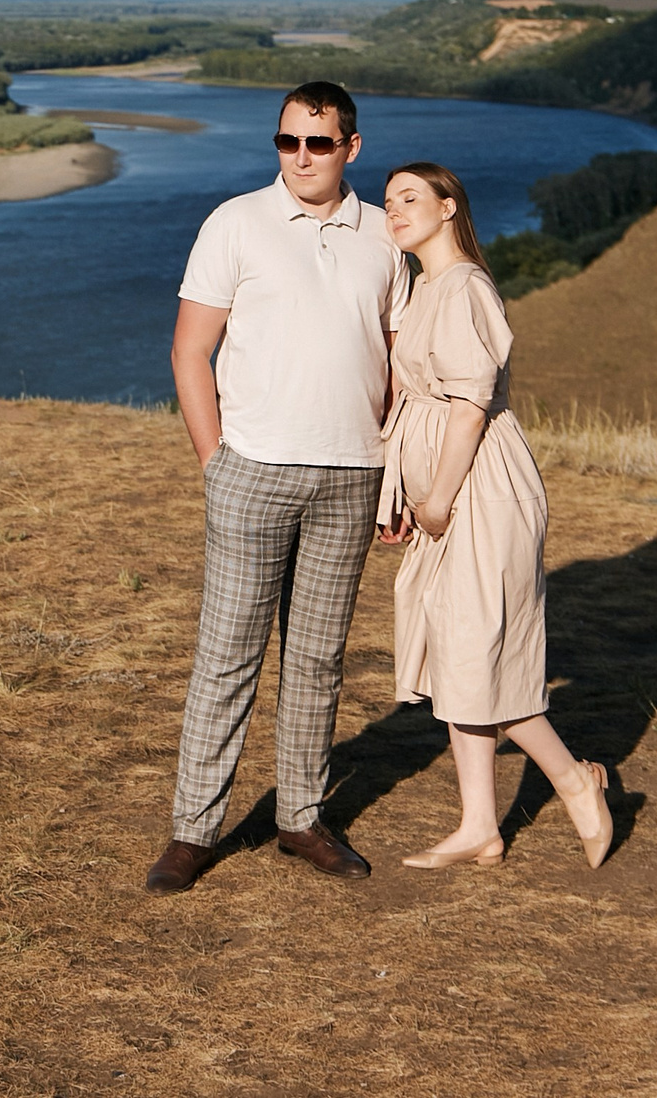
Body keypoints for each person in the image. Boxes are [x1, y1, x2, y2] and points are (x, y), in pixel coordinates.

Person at [145, 81, 410, 895]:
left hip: (352, 476)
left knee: (318, 659)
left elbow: (399, 365)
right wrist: (214, 459)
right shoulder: (235, 223)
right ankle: (195, 831)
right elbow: (191, 351)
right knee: (227, 657)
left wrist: (394, 474)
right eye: (288, 141)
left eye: (319, 143)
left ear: (351, 148)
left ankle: (300, 818)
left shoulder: (386, 236)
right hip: (250, 471)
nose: (301, 157)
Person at [374, 161, 614, 869]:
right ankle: (480, 823)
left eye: (411, 197)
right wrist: (404, 497)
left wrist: (440, 497)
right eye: (388, 201)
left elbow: (470, 403)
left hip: (480, 487)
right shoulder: (421, 291)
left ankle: (576, 782)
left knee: (482, 652)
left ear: (450, 207)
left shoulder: (466, 287)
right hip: (443, 490)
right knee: (457, 653)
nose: (395, 210)